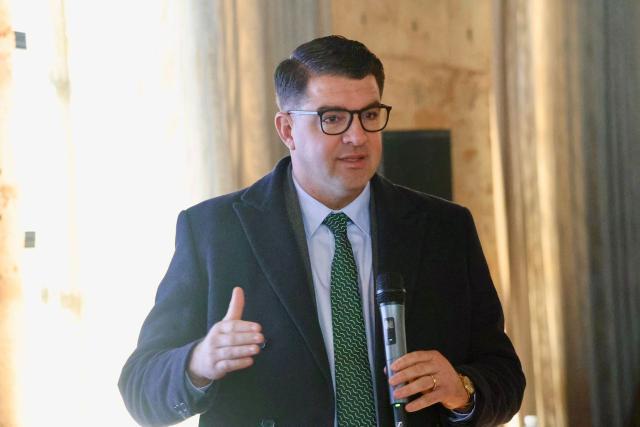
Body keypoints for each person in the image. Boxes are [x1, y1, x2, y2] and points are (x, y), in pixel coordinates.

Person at [119, 35, 525, 427]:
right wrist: (198, 362)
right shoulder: (215, 231)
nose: (357, 137)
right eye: (332, 119)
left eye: (369, 116)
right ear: (287, 130)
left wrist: (462, 388)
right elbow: (140, 389)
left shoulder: (444, 229)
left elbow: (505, 377)